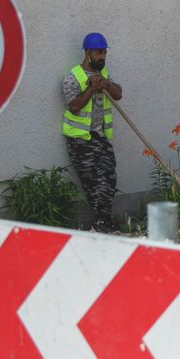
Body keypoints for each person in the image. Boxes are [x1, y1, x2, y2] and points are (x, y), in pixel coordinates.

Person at [62, 32, 123, 232]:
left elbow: (118, 94)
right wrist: (91, 88)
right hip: (80, 140)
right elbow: (74, 106)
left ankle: (102, 224)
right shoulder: (72, 77)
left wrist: (105, 84)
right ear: (87, 53)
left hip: (99, 137)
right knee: (92, 184)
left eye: (104, 52)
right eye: (99, 52)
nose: (102, 56)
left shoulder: (103, 76)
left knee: (108, 177)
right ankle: (102, 224)